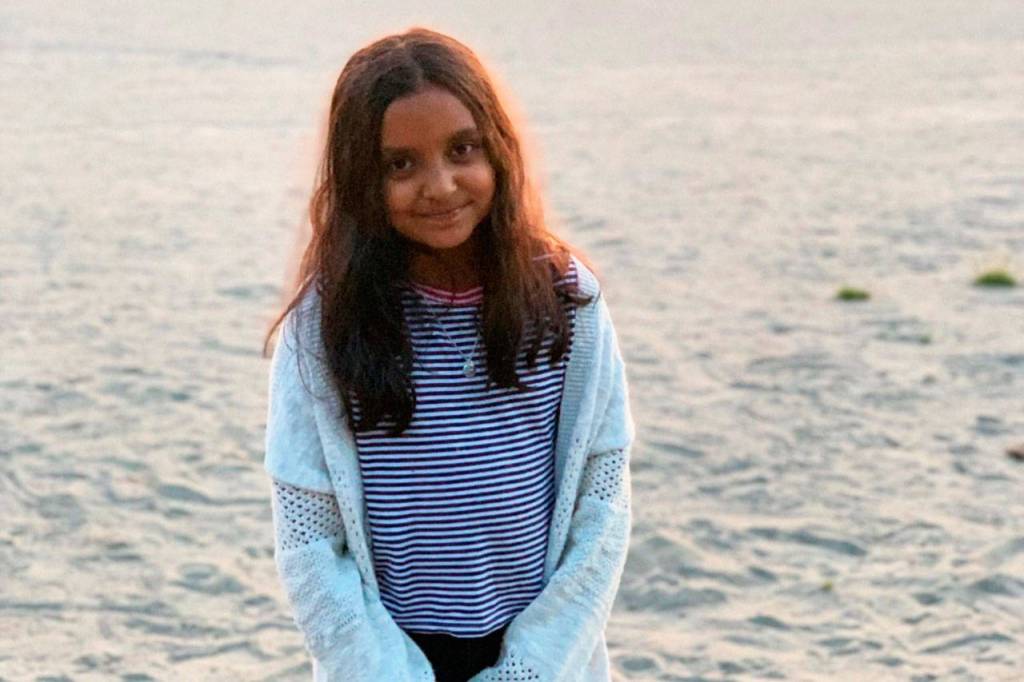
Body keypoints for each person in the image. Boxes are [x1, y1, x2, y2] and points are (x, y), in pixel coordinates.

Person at [262, 26, 634, 682]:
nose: (439, 185)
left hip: (545, 660)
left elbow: (602, 512)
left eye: (462, 149)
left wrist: (527, 671)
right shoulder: (324, 326)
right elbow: (308, 541)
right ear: (360, 178)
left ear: (498, 148)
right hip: (386, 661)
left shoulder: (567, 302)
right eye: (400, 165)